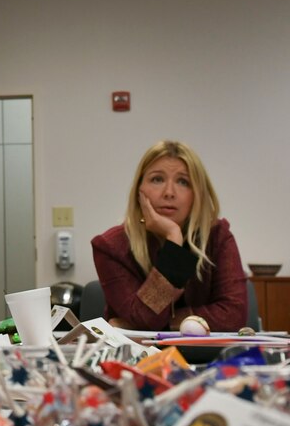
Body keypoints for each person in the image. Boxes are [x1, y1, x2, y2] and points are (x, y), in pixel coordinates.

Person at [90, 140, 246, 331]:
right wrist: (174, 238)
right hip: (138, 359)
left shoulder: (217, 236)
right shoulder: (111, 247)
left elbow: (234, 316)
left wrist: (170, 321)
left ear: (197, 194)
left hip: (208, 358)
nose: (169, 193)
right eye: (157, 179)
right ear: (139, 190)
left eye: (183, 182)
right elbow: (145, 320)